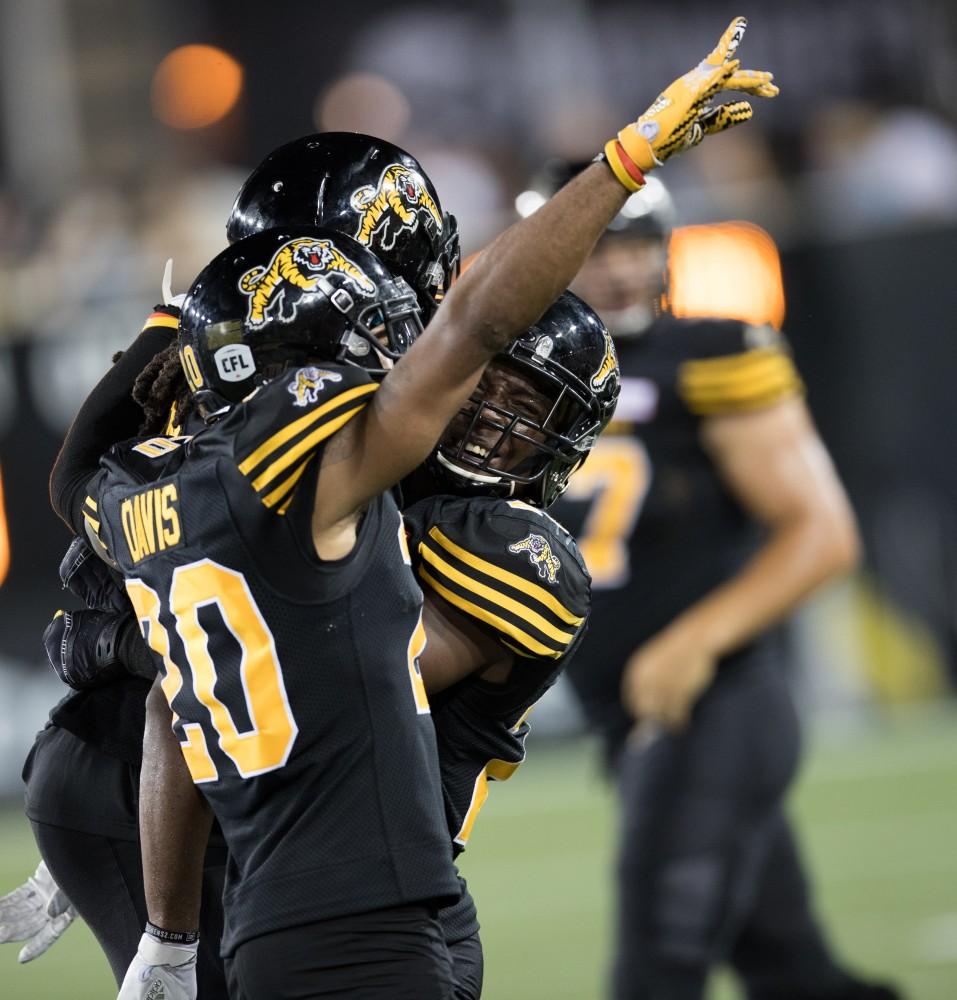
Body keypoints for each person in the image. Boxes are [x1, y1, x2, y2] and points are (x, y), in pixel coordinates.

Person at [549, 174, 902, 999]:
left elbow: (821, 534)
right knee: (794, 973)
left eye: (634, 244)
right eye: (596, 245)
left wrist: (689, 643)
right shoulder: (518, 372)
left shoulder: (706, 353)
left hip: (714, 701)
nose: (618, 269)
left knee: (656, 964)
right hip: (621, 713)